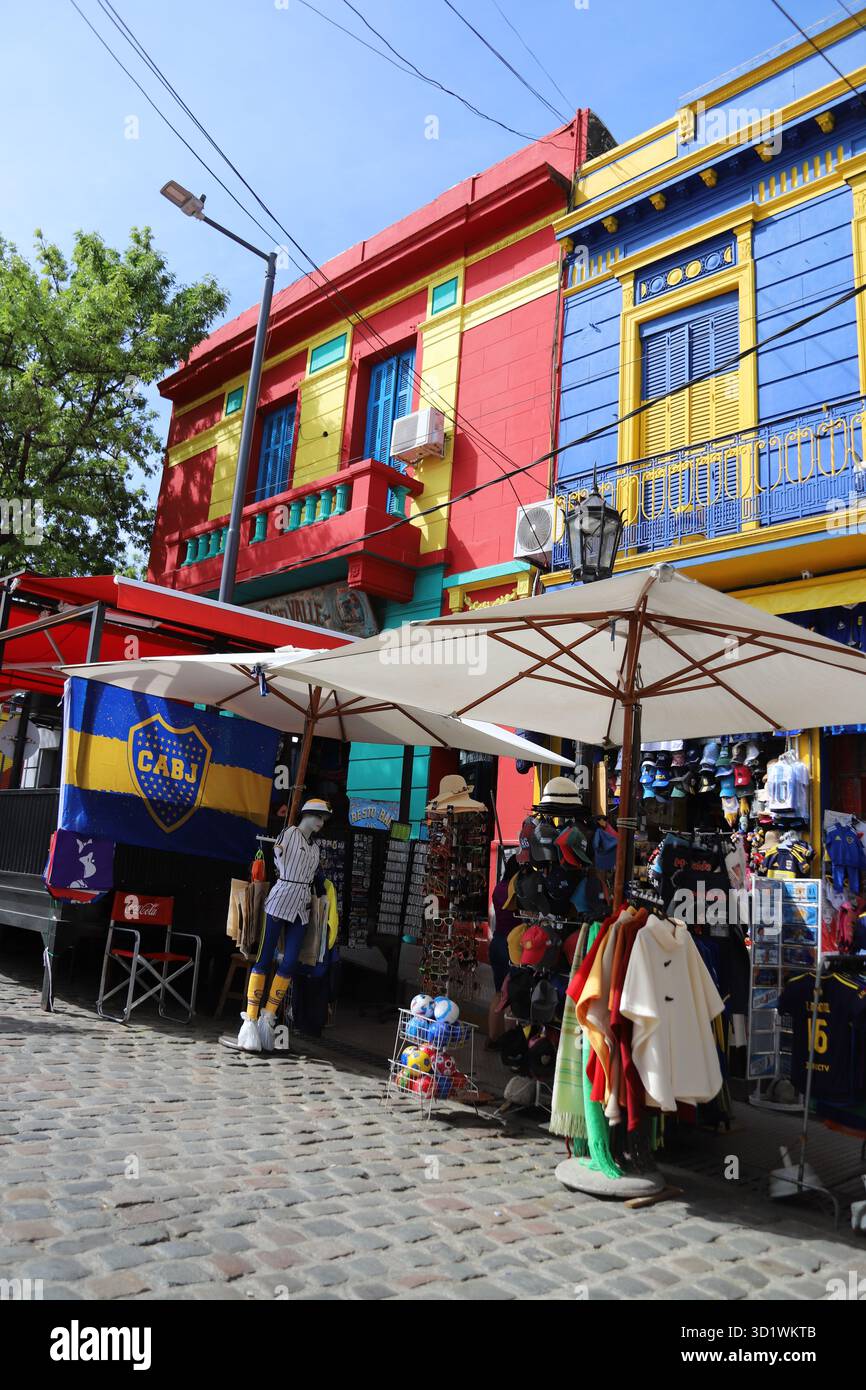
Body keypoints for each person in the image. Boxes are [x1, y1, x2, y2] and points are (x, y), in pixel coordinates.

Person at [236, 798, 331, 1053]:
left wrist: (322, 891)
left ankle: (269, 1017)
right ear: (307, 815)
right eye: (318, 817)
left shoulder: (315, 848)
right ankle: (251, 1019)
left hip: (302, 905)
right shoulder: (290, 833)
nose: (321, 822)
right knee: (264, 958)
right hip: (280, 899)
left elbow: (315, 875)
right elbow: (278, 854)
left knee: (290, 962)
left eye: (324, 818)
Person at [487, 854, 520, 1046]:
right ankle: (511, 1042)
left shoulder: (498, 888)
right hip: (512, 945)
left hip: (497, 941)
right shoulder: (516, 889)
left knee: (499, 992)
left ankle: (492, 1038)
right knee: (512, 994)